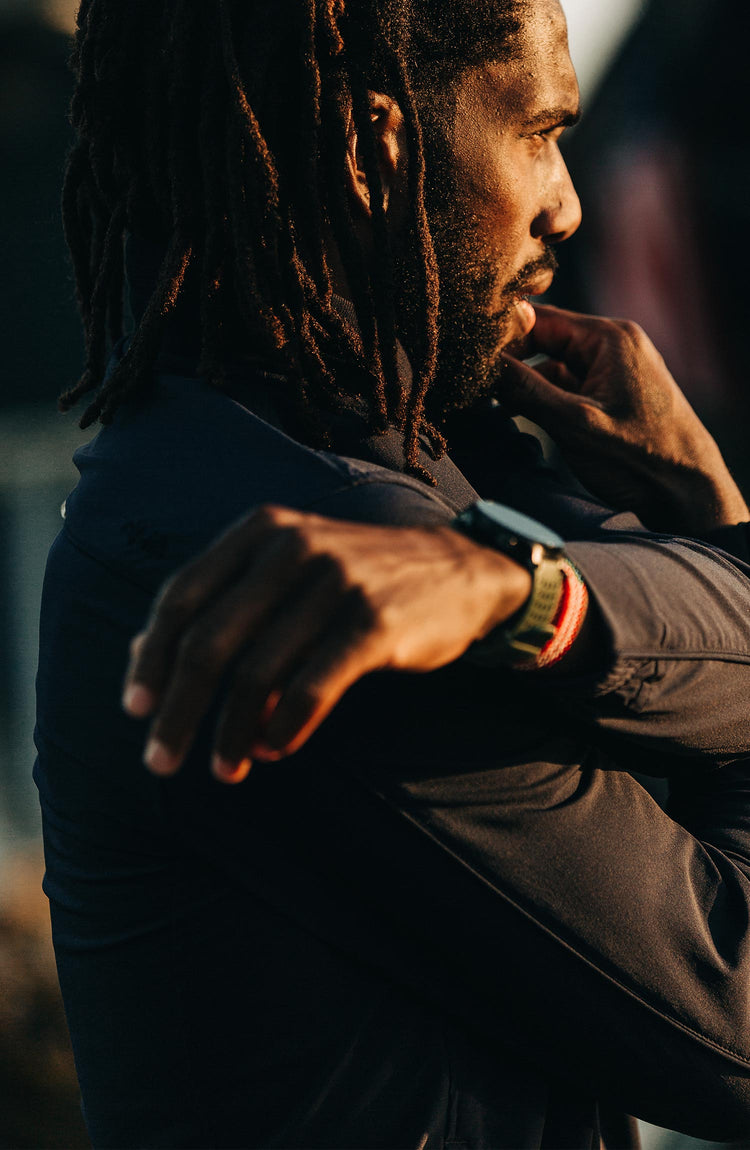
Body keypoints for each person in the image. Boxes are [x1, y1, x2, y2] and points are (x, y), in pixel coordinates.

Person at [35, 0, 750, 1146]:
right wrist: (680, 532)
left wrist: (638, 537)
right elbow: (738, 1015)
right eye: (538, 132)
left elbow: (713, 638)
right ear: (377, 148)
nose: (568, 200)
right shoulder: (324, 564)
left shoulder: (364, 457)